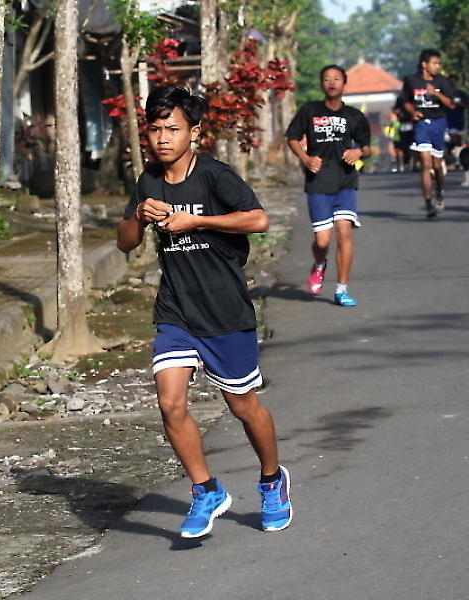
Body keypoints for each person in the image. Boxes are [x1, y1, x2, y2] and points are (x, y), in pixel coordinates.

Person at [116, 84, 292, 538]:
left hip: (225, 312)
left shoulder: (215, 175)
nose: (162, 138)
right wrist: (139, 215)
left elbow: (258, 219)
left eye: (172, 129)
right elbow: (125, 242)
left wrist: (196, 220)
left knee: (243, 406)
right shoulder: (149, 181)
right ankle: (206, 489)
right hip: (176, 311)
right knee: (170, 403)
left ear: (194, 132)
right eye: (155, 129)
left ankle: (272, 480)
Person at [285, 64, 371, 307]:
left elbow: (367, 147)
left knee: (344, 233)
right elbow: (292, 137)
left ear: (344, 84)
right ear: (321, 84)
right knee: (322, 241)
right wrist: (306, 159)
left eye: (336, 79)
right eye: (327, 79)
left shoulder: (354, 115)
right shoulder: (309, 111)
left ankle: (342, 289)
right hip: (318, 182)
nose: (332, 82)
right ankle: (319, 264)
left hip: (345, 181)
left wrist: (358, 152)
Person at [401, 48, 455, 217]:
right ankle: (428, 203)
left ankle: (439, 191)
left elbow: (451, 104)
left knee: (437, 165)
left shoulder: (443, 82)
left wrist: (436, 93)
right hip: (422, 125)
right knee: (426, 164)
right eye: (435, 63)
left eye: (439, 63)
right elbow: (404, 101)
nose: (438, 66)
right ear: (425, 64)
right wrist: (413, 112)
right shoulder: (412, 81)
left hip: (438, 124)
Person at [445, 75, 469, 166]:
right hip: (449, 118)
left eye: (454, 81)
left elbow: (467, 105)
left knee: (458, 139)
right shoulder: (445, 94)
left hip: (459, 118)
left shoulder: (461, 94)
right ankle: (452, 156)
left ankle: (458, 156)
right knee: (453, 136)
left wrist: (460, 104)